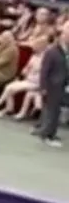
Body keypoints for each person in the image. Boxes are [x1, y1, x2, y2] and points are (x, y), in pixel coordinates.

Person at [35, 19, 68, 148]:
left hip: (63, 86)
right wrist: (43, 87)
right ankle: (47, 135)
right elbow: (44, 71)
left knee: (56, 112)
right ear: (61, 36)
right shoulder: (51, 52)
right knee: (51, 112)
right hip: (51, 86)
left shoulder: (66, 53)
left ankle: (50, 133)